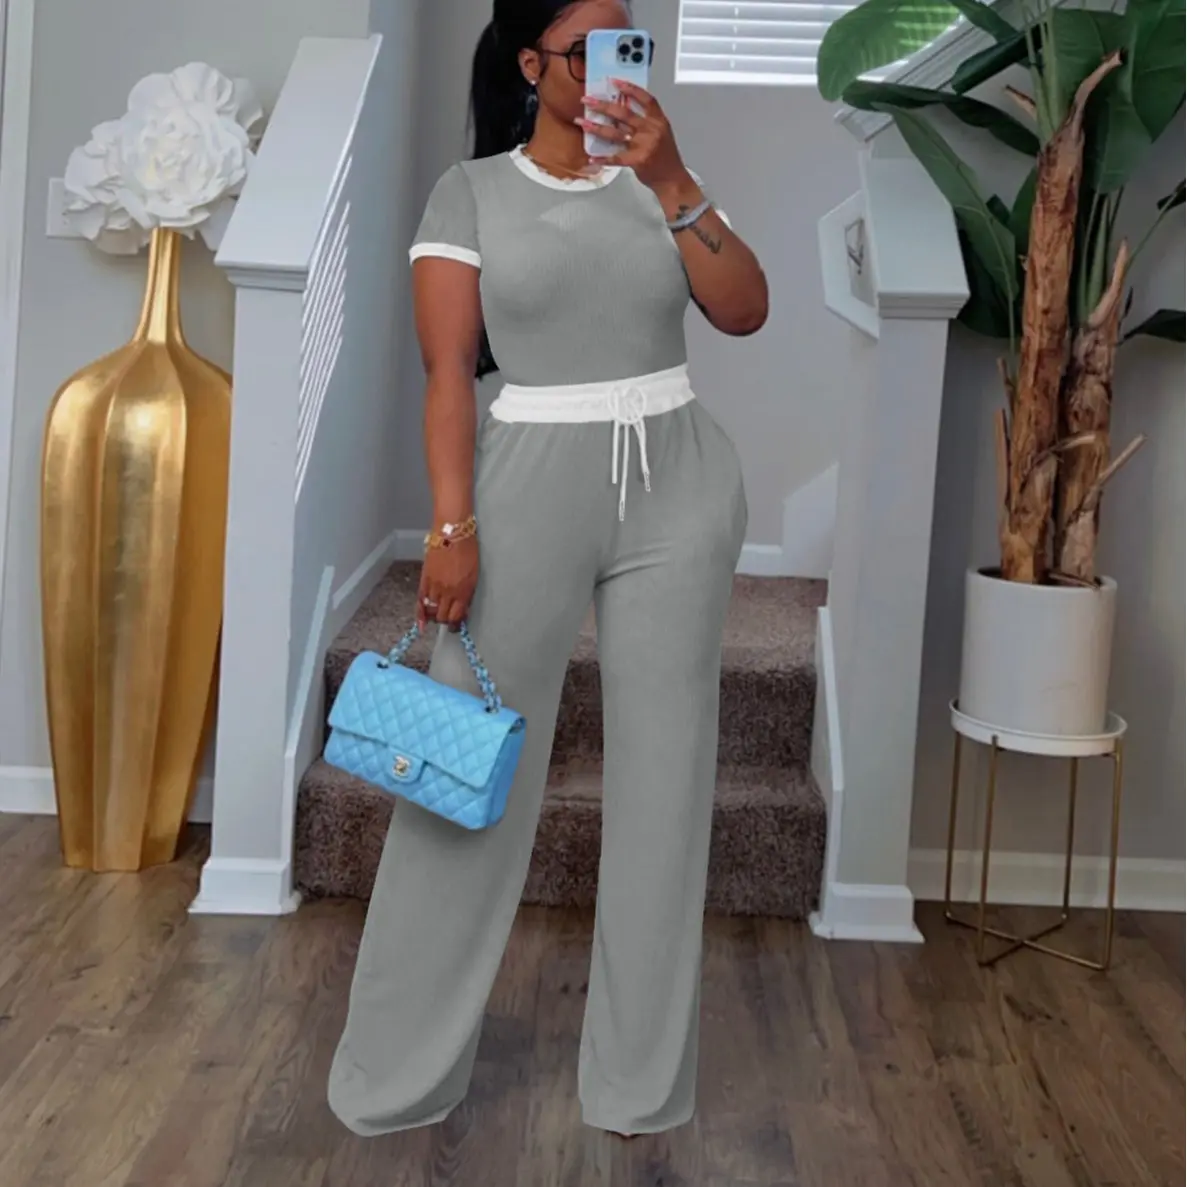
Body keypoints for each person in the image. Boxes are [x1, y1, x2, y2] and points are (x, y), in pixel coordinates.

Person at [327, 0, 769, 1138]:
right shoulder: (470, 192)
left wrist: (671, 178)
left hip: (676, 482)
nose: (617, 66)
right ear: (532, 64)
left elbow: (744, 310)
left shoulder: (663, 182)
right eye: (588, 49)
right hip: (524, 484)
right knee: (457, 777)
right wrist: (450, 528)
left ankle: (637, 1085)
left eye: (631, 45)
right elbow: (445, 376)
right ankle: (396, 1072)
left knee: (667, 785)